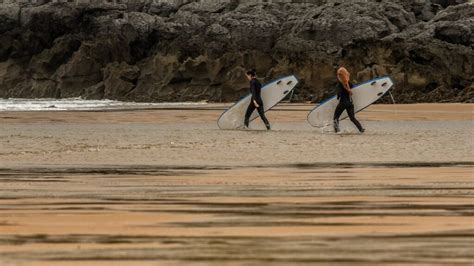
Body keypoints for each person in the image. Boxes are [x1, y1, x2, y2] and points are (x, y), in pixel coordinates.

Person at [333, 67, 365, 133]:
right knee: (352, 118)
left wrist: (338, 96)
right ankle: (361, 129)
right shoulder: (348, 83)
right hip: (350, 103)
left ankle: (337, 131)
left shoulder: (340, 83)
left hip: (343, 103)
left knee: (335, 118)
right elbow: (353, 88)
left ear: (340, 75)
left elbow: (339, 93)